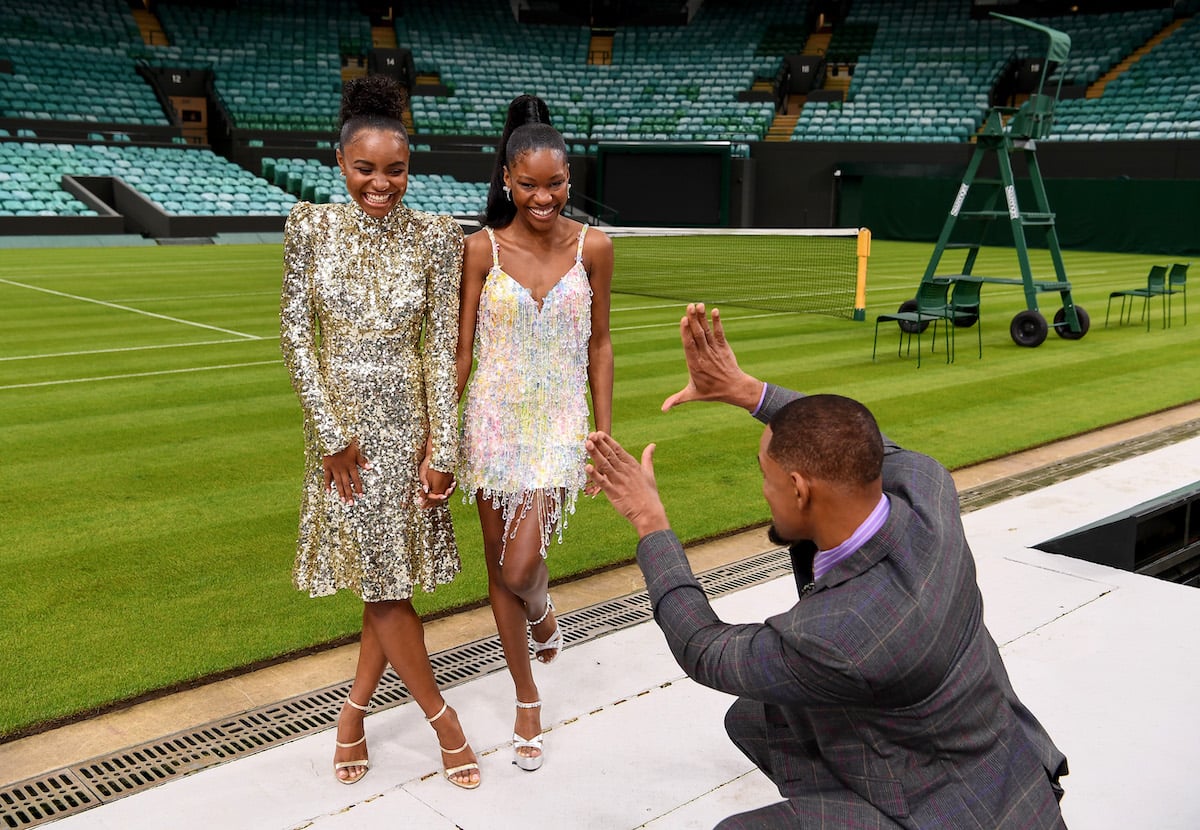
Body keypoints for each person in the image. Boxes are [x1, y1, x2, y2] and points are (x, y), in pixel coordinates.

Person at [585, 303, 1069, 828]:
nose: (764, 492)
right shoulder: (927, 488)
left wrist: (649, 521)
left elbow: (704, 650)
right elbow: (856, 438)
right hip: (999, 754)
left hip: (955, 812)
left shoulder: (844, 634)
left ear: (798, 489)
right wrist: (748, 391)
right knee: (759, 716)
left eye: (766, 479)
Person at [280, 75, 479, 790]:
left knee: (384, 583)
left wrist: (442, 446)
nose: (381, 183)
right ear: (341, 164)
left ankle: (354, 713)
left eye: (395, 169)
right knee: (386, 587)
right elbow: (296, 338)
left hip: (410, 424)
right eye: (365, 168)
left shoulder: (436, 236)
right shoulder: (309, 227)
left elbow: (438, 347)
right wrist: (332, 435)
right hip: (342, 438)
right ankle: (441, 720)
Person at [456, 94, 614, 772]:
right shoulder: (479, 250)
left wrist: (604, 433)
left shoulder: (597, 246)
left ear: (568, 181)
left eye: (554, 184)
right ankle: (526, 698)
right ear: (506, 182)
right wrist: (440, 435)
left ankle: (542, 603)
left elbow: (601, 344)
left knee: (521, 566)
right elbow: (461, 352)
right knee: (498, 566)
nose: (542, 196)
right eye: (528, 184)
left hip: (558, 424)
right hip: (492, 423)